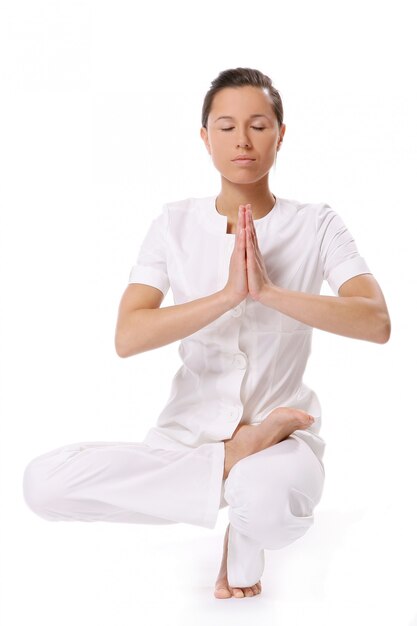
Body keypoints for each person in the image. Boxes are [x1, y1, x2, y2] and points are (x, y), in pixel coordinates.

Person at [22, 67, 391, 600]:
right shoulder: (172, 223)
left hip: (282, 435)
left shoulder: (317, 223)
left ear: (281, 135)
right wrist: (226, 296)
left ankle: (242, 475)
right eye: (226, 126)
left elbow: (376, 320)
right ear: (205, 138)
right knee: (43, 486)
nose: (242, 139)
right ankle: (232, 459)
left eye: (259, 125)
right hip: (185, 438)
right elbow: (128, 335)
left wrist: (269, 292)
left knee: (265, 508)